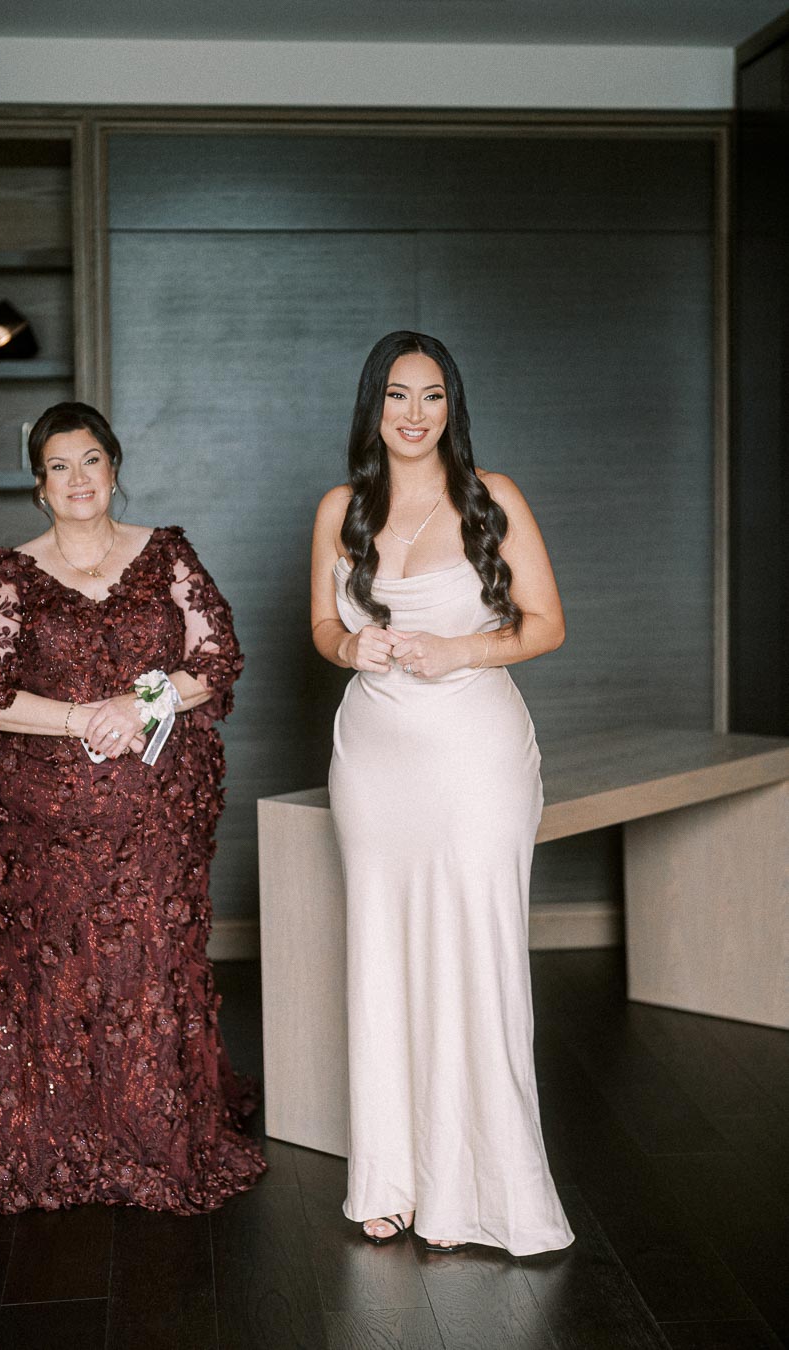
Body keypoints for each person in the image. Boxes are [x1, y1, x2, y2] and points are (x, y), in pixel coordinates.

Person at [0, 401, 266, 1213]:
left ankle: (151, 1129)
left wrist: (138, 703)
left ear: (114, 469)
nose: (77, 479)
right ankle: (56, 1131)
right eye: (59, 466)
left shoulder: (167, 553)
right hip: (45, 819)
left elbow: (217, 659)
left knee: (146, 959)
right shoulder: (12, 572)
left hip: (153, 811)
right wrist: (81, 716)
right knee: (58, 966)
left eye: (91, 461)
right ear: (39, 486)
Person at [311, 332, 574, 1255]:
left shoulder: (491, 498)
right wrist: (353, 647)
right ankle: (390, 1178)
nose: (414, 414)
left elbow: (548, 625)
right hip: (374, 760)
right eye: (396, 396)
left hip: (475, 755)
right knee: (381, 957)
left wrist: (461, 649)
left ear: (452, 407)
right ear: (372, 407)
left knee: (478, 955)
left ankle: (488, 1190)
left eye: (432, 397)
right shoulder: (340, 508)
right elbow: (319, 623)